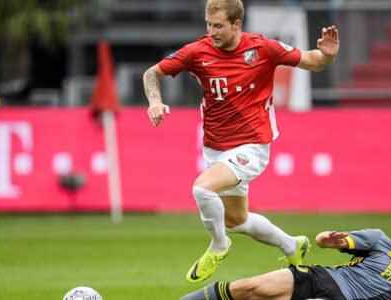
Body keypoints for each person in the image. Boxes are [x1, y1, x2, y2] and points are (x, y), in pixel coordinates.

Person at [142, 0, 339, 283]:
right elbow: (152, 73)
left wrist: (327, 56)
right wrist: (155, 101)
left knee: (201, 189)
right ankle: (292, 245)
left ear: (237, 24)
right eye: (209, 25)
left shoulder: (263, 48)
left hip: (252, 144)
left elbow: (313, 60)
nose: (212, 32)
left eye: (219, 26)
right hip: (215, 146)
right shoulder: (198, 51)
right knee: (236, 220)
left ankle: (219, 246)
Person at [182, 208, 391, 300]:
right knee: (250, 288)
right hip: (323, 278)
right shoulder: (380, 240)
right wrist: (327, 239)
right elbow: (336, 240)